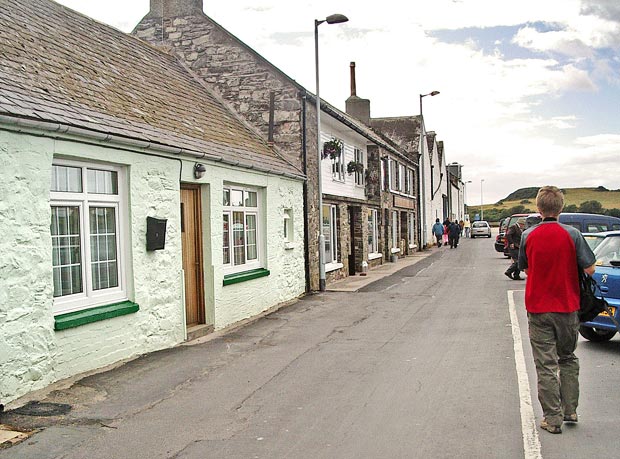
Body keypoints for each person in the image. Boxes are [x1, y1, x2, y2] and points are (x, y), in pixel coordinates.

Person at [518, 186, 596, 435]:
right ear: (561, 208)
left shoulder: (528, 235)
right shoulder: (572, 234)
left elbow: (526, 269)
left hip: (539, 307)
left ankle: (552, 418)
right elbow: (590, 269)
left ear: (538, 209)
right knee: (568, 357)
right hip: (568, 306)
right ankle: (570, 409)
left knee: (546, 364)